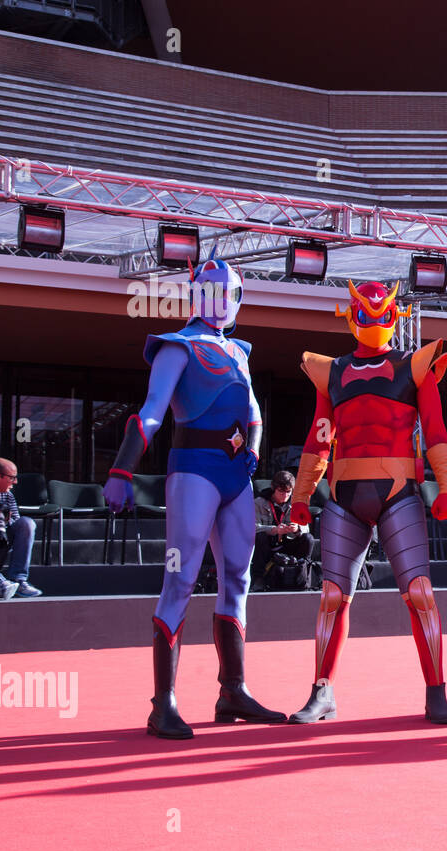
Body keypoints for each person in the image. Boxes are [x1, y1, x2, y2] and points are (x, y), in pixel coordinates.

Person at [104, 257, 285, 738]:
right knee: (180, 580)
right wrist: (122, 469)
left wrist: (255, 450)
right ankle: (163, 703)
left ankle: (233, 690)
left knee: (238, 578)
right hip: (193, 473)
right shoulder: (175, 347)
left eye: (228, 291)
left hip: (235, 477)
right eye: (212, 290)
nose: (221, 299)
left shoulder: (239, 352)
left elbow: (254, 413)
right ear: (195, 293)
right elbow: (149, 414)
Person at [288, 281, 447, 725]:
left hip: (398, 492)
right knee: (331, 597)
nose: (376, 321)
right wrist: (302, 495)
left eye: (383, 314)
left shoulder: (415, 366)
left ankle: (436, 690)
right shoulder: (333, 372)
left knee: (419, 593)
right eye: (367, 314)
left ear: (395, 315)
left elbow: (436, 432)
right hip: (345, 495)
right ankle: (322, 692)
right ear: (352, 316)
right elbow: (318, 437)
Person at [0, 458, 41, 599]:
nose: (15, 482)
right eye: (12, 478)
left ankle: (19, 580)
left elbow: (16, 523)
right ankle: (0, 583)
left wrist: (3, 519)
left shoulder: (7, 495)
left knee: (27, 523)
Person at [252, 470, 314, 580]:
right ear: (273, 488)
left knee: (308, 538)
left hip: (288, 542)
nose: (285, 495)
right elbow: (253, 528)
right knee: (260, 537)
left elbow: (306, 528)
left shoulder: (296, 503)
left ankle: (303, 576)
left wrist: (297, 528)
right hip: (268, 544)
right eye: (281, 491)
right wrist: (274, 530)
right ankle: (258, 579)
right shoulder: (259, 503)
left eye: (288, 492)